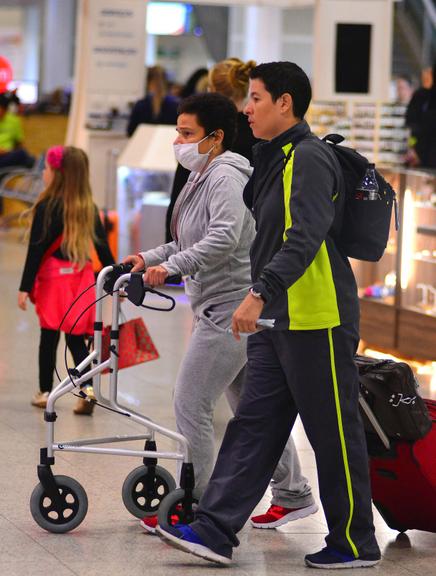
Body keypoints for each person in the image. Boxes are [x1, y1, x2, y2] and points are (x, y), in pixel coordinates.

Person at [156, 62, 381, 570]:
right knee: (254, 424)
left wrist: (258, 293)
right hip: (275, 320)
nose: (246, 107)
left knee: (333, 433)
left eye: (255, 98)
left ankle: (355, 541)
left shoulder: (308, 157)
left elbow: (301, 238)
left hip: (315, 317)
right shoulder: (271, 157)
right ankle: (215, 530)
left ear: (285, 103)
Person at [124, 91, 317, 534]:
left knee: (190, 402)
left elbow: (225, 237)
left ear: (215, 137)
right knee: (254, 409)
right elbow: (187, 237)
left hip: (231, 308)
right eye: (178, 131)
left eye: (187, 133)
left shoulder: (227, 176)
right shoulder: (201, 174)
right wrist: (147, 257)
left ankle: (198, 507)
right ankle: (294, 493)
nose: (178, 141)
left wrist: (170, 268)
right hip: (218, 305)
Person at [18, 146, 115, 414]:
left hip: (53, 280)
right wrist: (119, 279)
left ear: (58, 175)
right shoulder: (88, 208)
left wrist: (24, 287)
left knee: (48, 337)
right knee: (75, 340)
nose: (44, 173)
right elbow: (104, 251)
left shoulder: (47, 206)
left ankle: (45, 391)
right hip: (82, 279)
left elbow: (36, 250)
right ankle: (88, 392)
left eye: (47, 169)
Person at [127, 66, 179, 137]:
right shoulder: (175, 104)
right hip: (166, 144)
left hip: (143, 143)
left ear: (147, 82)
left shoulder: (141, 105)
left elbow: (131, 131)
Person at [405, 61, 436, 168]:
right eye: (424, 75)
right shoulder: (419, 96)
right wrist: (412, 148)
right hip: (421, 152)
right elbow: (412, 127)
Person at [0, 93, 34, 169]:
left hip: (8, 155)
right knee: (24, 156)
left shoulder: (14, 120)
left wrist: (9, 152)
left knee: (26, 157)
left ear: (5, 109)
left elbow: (19, 142)